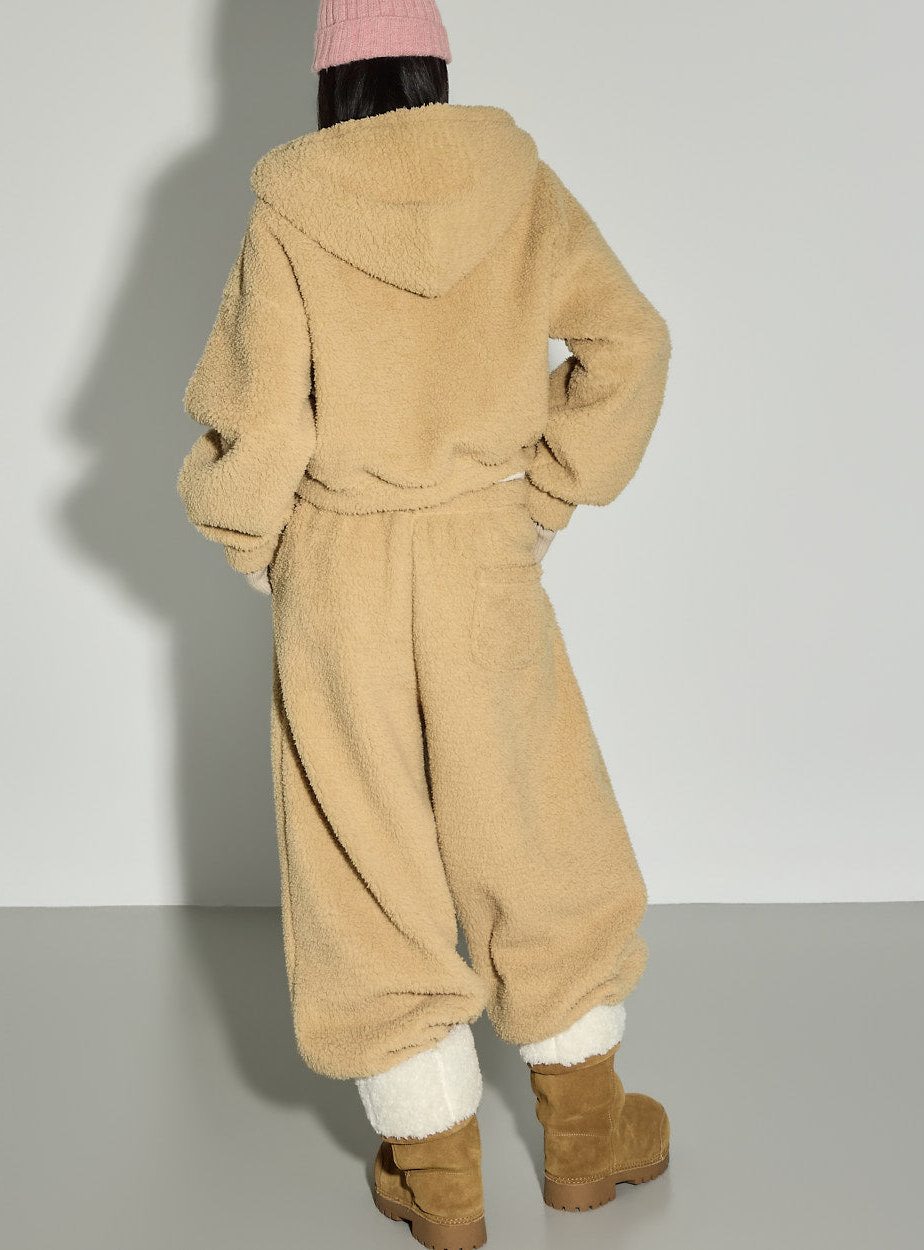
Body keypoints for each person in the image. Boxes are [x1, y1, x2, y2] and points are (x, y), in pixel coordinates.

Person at [177, 3, 673, 1246]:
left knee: (361, 852)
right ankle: (586, 1132)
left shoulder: (291, 209)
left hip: (337, 563)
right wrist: (545, 490)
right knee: (532, 817)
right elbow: (630, 340)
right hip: (479, 554)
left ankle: (438, 1173)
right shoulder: (519, 183)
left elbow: (260, 420)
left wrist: (253, 539)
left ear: (328, 79)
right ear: (437, 62)